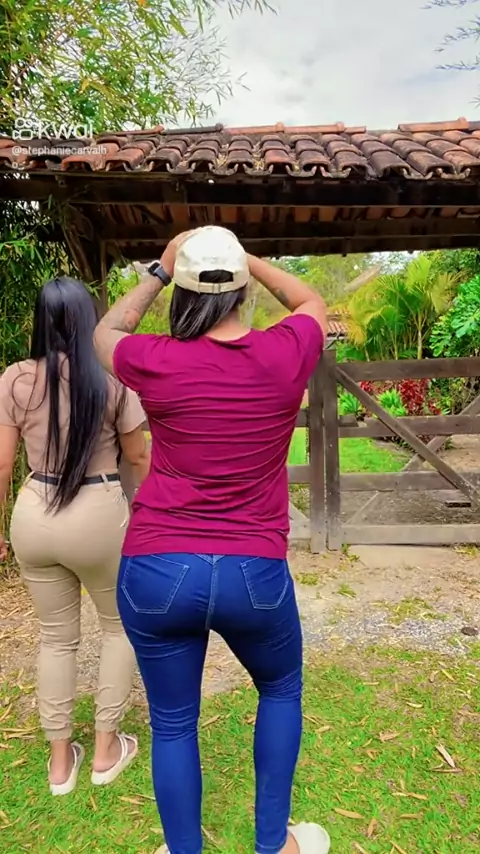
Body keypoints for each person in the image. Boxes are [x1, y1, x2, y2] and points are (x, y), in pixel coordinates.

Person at [93, 227, 330, 854]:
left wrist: (160, 269)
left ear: (184, 292)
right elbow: (311, 302)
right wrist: (246, 257)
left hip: (158, 567)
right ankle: (273, 844)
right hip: (254, 570)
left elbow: (104, 332)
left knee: (173, 724)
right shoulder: (283, 352)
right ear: (243, 289)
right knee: (280, 688)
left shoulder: (157, 359)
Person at [0, 276, 150, 796]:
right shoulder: (112, 382)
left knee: (55, 638)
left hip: (35, 513)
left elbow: (2, 464)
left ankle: (60, 762)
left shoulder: (15, 380)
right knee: (119, 628)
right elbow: (138, 457)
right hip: (98, 515)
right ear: (89, 319)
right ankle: (107, 749)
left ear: (40, 321)